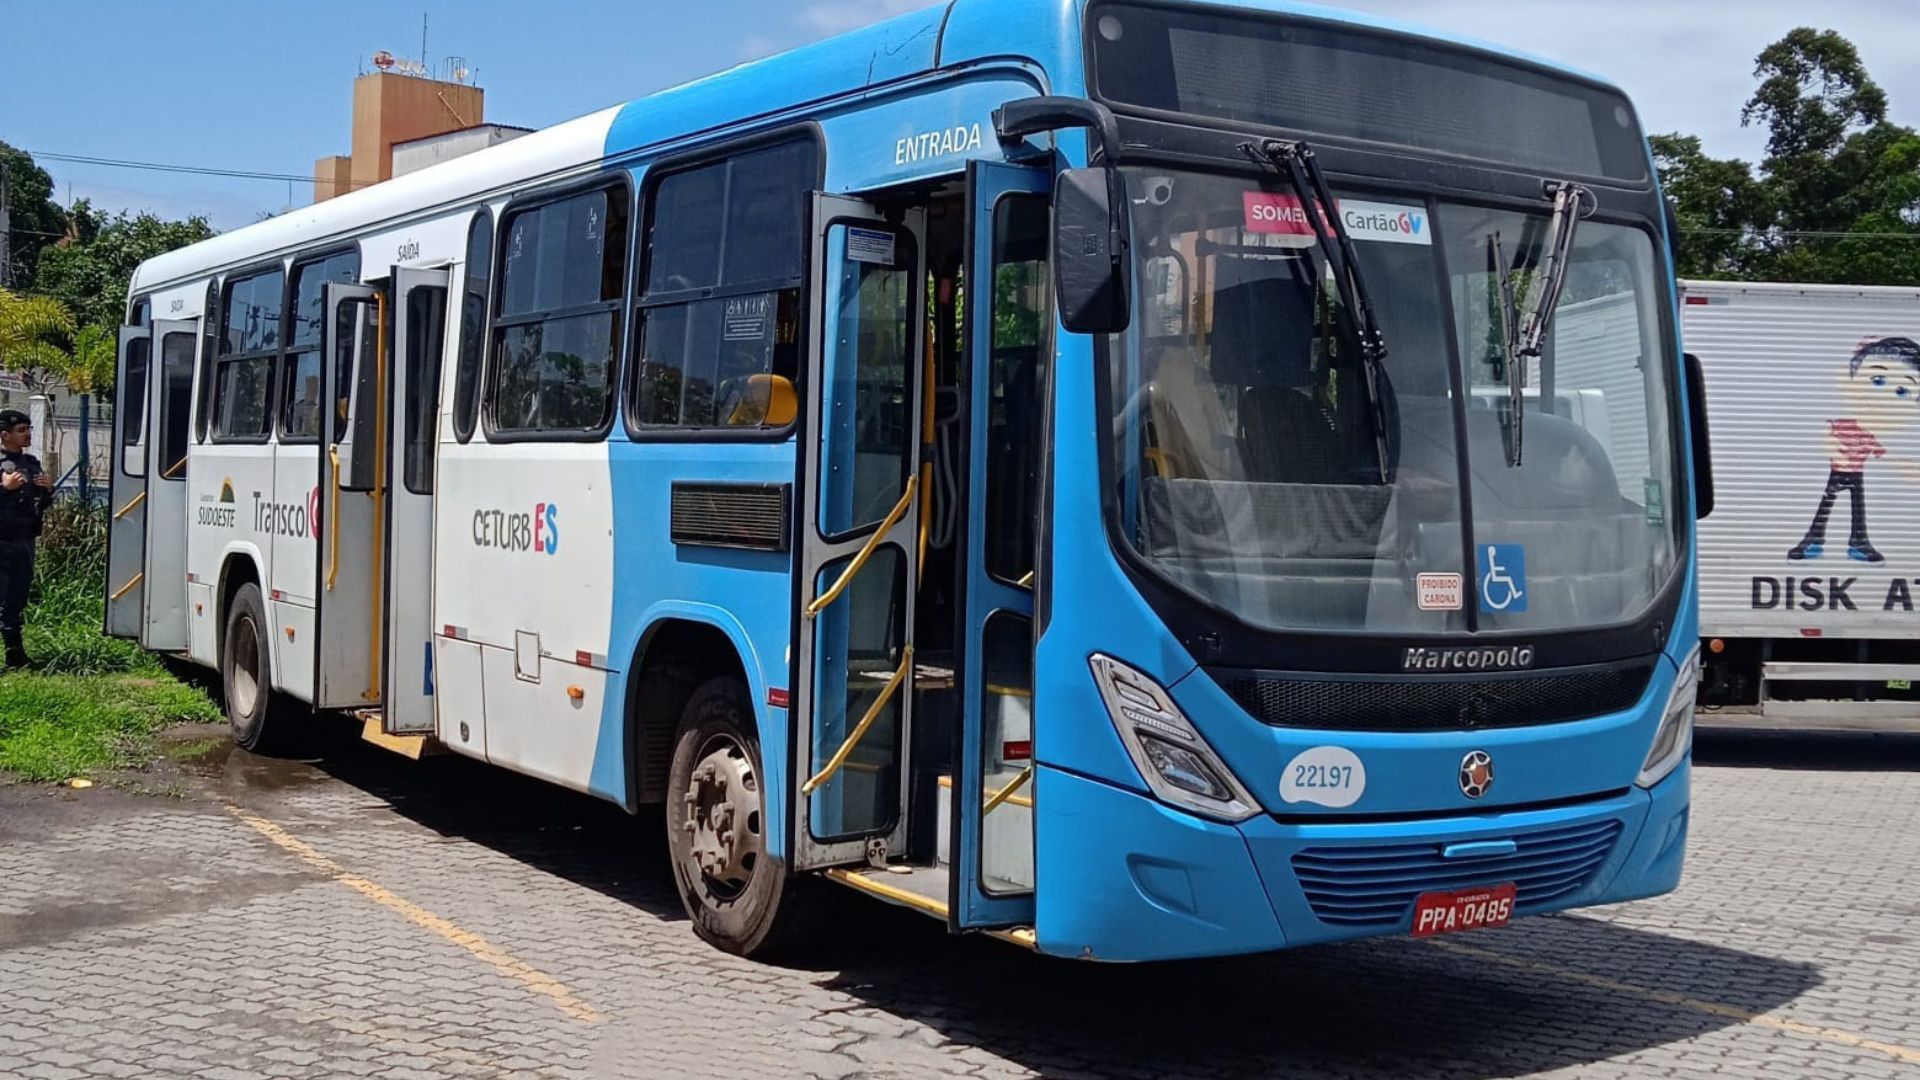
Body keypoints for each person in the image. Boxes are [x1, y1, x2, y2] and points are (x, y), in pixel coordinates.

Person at [1788, 337, 1920, 563]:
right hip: (1837, 473)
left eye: (1901, 391)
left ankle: (1858, 544)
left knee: (1857, 510)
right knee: (1825, 507)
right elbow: (1827, 437)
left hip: (1855, 474)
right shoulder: (1841, 425)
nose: (1882, 399)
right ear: (1845, 380)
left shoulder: (1868, 434)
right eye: (1877, 380)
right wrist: (1832, 448)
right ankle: (1813, 541)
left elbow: (1882, 454)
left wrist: (1904, 465)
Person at [0, 409, 53, 668]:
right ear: (5, 435)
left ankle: (14, 655)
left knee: (16, 598)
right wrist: (4, 487)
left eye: (28, 429)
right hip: (2, 539)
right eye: (21, 431)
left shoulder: (31, 463)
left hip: (24, 539)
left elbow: (39, 504)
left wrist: (46, 489)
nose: (27, 435)